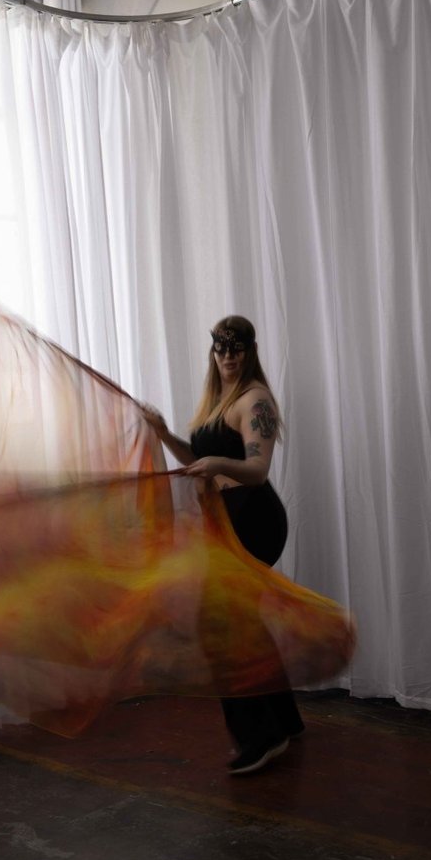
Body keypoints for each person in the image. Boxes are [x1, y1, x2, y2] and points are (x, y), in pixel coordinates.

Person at [142, 315, 304, 774]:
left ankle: (261, 736)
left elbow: (256, 469)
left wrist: (217, 462)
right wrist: (164, 434)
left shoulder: (254, 400)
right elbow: (199, 462)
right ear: (212, 353)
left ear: (249, 351)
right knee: (242, 621)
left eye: (237, 348)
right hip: (226, 517)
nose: (228, 356)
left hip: (254, 518)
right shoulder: (217, 402)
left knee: (220, 625)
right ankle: (283, 721)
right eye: (221, 348)